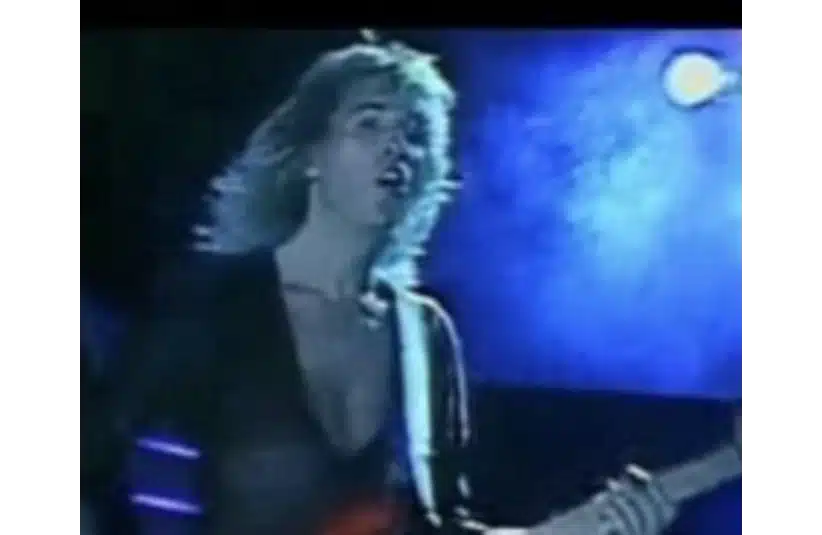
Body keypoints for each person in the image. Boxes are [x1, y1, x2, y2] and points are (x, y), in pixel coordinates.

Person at [81, 33, 688, 535]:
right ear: (310, 154)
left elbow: (440, 524)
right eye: (369, 124)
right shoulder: (219, 305)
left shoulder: (425, 335)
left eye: (415, 133)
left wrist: (593, 525)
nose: (398, 146)